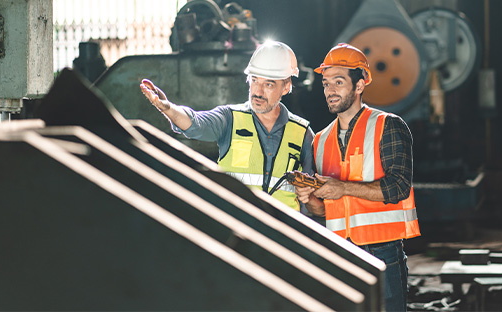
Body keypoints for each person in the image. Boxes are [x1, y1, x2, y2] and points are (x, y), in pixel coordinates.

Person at [296, 43, 420, 312]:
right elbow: (325, 211)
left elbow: (398, 187)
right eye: (326, 84)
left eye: (338, 82)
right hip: (339, 250)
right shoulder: (320, 140)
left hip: (382, 250)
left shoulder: (388, 125)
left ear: (360, 85)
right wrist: (309, 199)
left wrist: (342, 188)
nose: (330, 91)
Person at [140, 40, 314, 211]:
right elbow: (196, 124)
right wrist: (168, 108)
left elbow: (312, 201)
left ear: (286, 87)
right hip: (237, 228)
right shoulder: (229, 118)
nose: (258, 92)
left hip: (283, 234)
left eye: (268, 84)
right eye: (254, 80)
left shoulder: (303, 134)